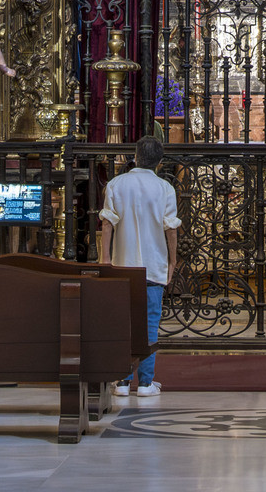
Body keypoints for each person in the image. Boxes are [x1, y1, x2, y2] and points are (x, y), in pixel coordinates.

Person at [102, 134, 180, 401]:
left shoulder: (116, 184)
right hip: (153, 266)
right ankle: (146, 383)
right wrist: (172, 260)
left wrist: (104, 261)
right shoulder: (165, 189)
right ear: (159, 162)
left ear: (135, 156)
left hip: (123, 265)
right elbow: (170, 228)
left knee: (123, 324)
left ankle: (122, 381)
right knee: (149, 324)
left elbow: (107, 224)